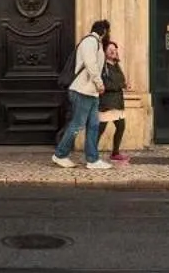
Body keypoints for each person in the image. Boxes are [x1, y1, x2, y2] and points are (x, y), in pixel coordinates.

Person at [52, 18, 111, 170]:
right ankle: (60, 155)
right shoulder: (90, 42)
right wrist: (100, 83)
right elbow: (91, 65)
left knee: (93, 125)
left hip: (91, 93)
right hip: (82, 91)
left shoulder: (95, 43)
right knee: (77, 125)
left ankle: (92, 159)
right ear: (104, 31)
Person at [98, 37, 128, 165]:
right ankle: (91, 154)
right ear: (104, 52)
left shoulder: (116, 65)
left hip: (117, 102)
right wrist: (121, 85)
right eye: (110, 49)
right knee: (100, 129)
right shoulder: (102, 67)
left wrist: (124, 84)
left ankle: (115, 153)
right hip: (106, 103)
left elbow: (121, 80)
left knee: (121, 126)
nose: (113, 51)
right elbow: (105, 85)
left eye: (115, 49)